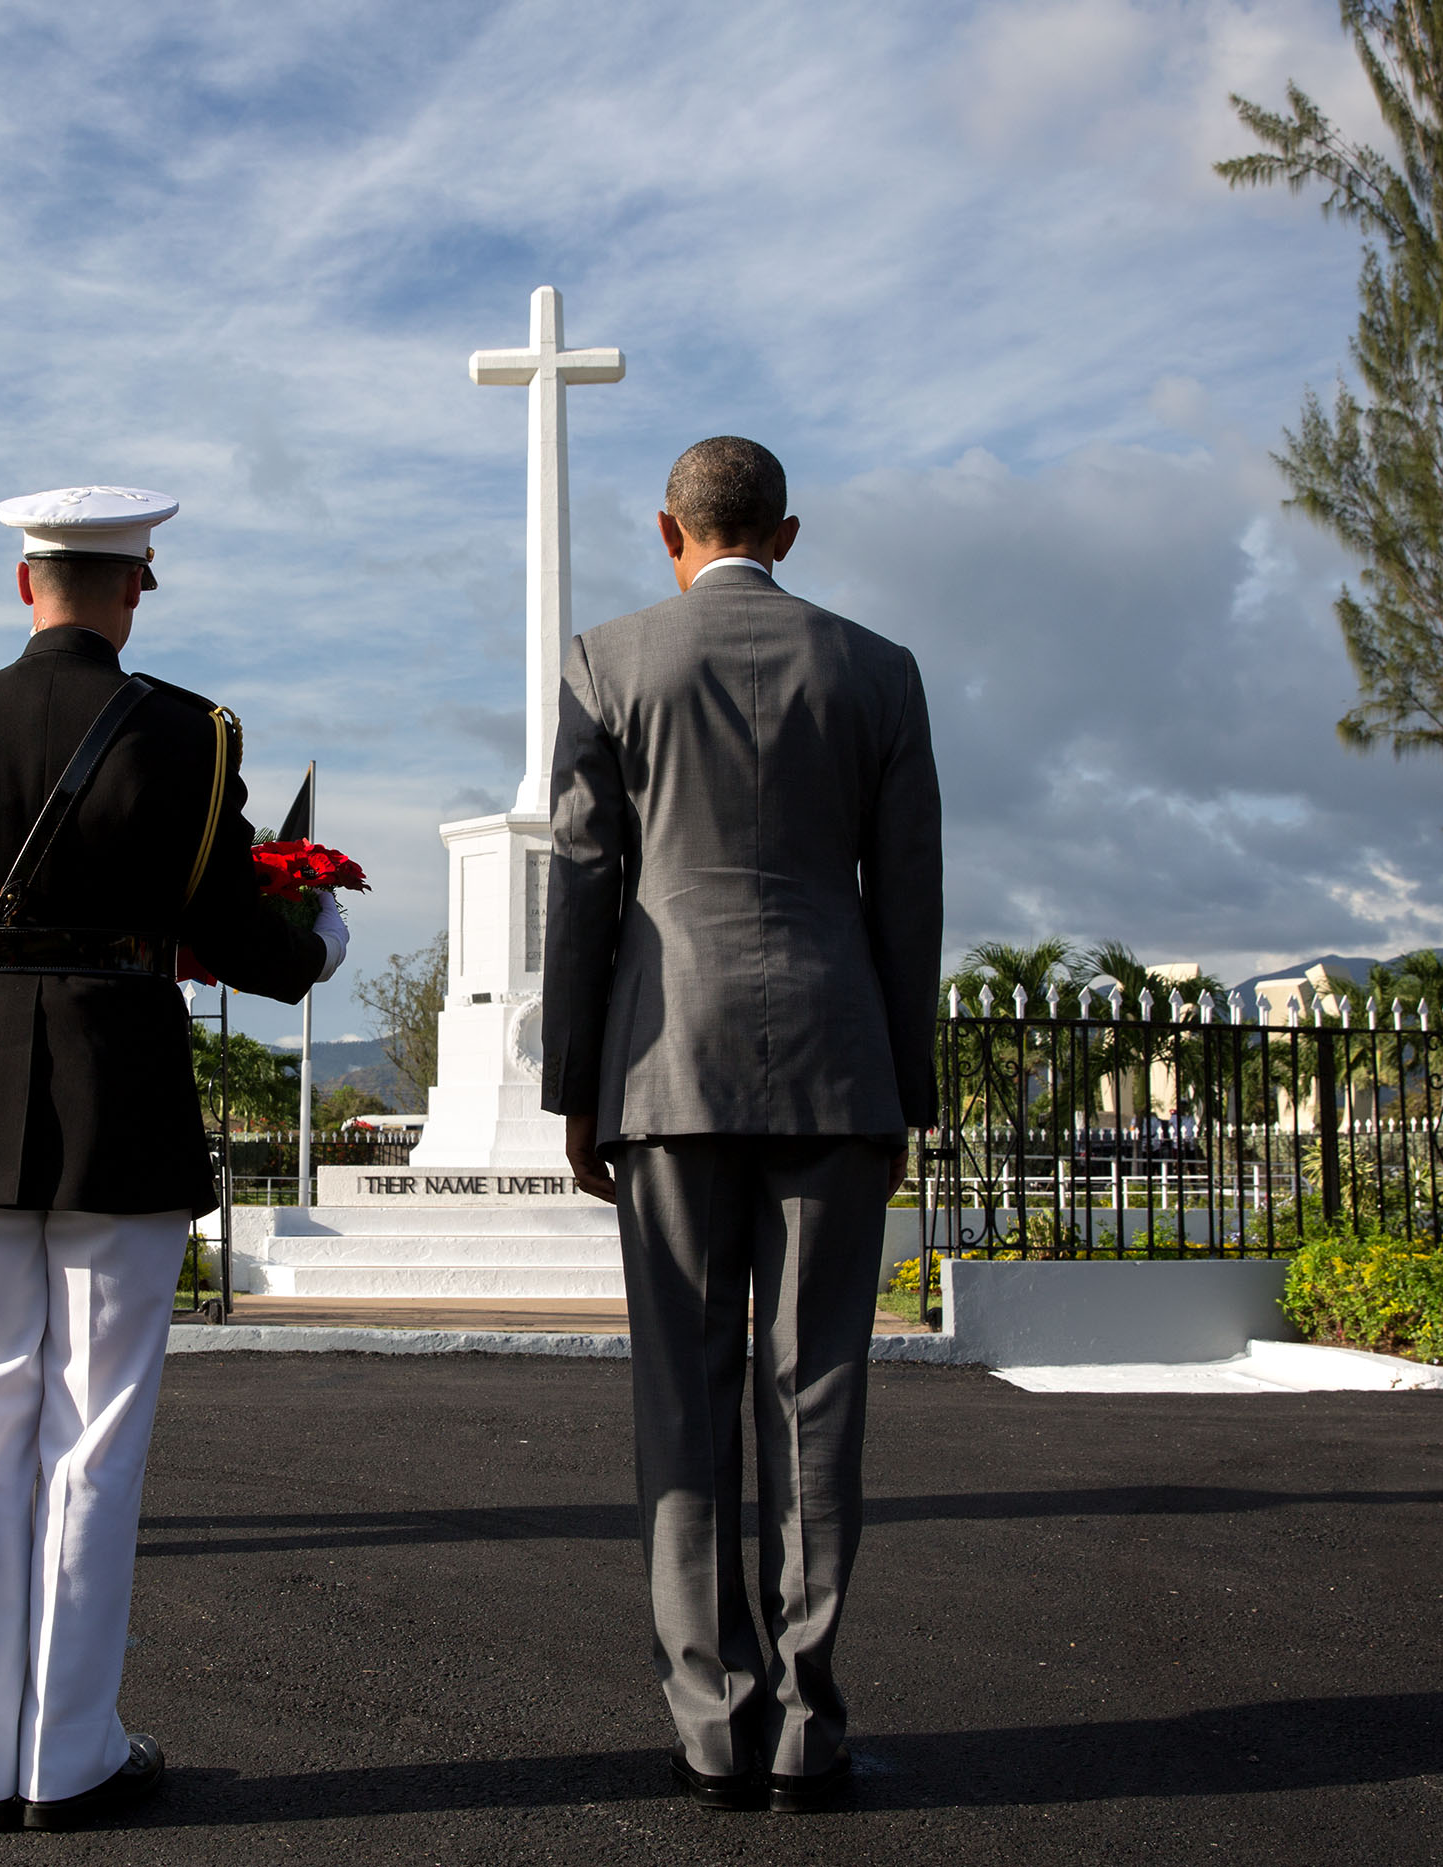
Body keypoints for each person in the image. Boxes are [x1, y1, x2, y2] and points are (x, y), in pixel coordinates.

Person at [0, 485, 343, 1833]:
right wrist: (313, 945)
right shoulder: (190, 732)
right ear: (135, 586)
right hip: (119, 1089)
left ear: (23, 584)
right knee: (95, 1431)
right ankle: (68, 1750)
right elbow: (225, 923)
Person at [542, 437, 942, 1816]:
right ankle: (809, 1721)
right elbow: (908, 895)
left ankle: (711, 1720)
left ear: (672, 528)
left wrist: (577, 1086)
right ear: (788, 530)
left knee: (686, 1394)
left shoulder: (609, 660)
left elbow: (585, 882)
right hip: (838, 1061)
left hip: (668, 1066)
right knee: (817, 1389)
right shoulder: (877, 668)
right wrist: (910, 1086)